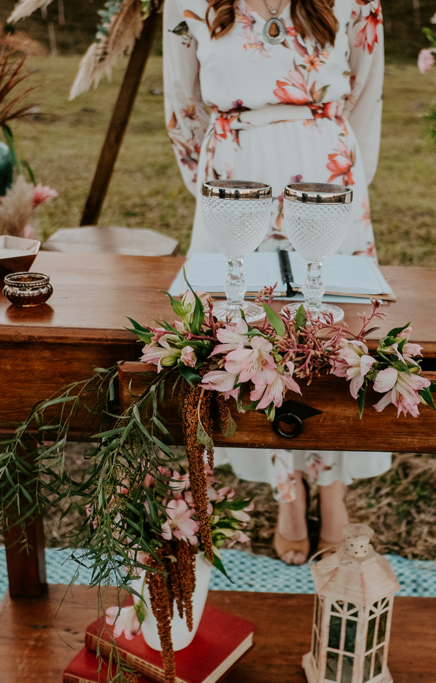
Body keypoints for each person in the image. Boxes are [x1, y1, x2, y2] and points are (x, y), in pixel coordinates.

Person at [163, 0, 389, 564]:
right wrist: (214, 191)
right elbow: (182, 107)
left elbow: (367, 94)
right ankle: (288, 492)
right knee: (251, 334)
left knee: (333, 326)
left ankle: (331, 491)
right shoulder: (187, 3)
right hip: (234, 179)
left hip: (326, 171)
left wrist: (345, 175)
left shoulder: (353, 2)